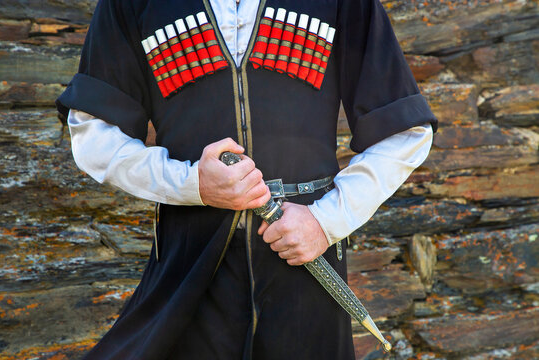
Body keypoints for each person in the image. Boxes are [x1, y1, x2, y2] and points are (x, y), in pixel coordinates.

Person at [56, 0, 437, 358]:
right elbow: (95, 135)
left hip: (303, 259)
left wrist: (325, 220)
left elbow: (404, 132)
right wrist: (192, 183)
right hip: (188, 259)